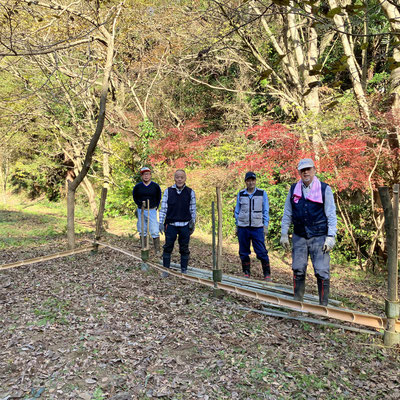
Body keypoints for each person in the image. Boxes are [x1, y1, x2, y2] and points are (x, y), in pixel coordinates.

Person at [280, 158, 337, 306]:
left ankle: (323, 307)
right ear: (299, 172)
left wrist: (331, 237)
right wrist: (284, 233)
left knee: (321, 271)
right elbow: (287, 212)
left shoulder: (324, 189)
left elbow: (331, 215)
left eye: (308, 169)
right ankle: (297, 303)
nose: (306, 172)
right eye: (303, 170)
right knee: (298, 269)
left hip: (319, 236)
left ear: (314, 170)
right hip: (299, 236)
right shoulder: (294, 189)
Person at [234, 171, 271, 281]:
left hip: (257, 226)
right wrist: (237, 225)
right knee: (243, 251)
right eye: (248, 180)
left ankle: (267, 274)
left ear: (255, 181)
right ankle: (246, 272)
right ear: (245, 182)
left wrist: (265, 225)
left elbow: (266, 210)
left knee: (261, 251)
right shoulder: (241, 194)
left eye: (253, 180)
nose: (251, 182)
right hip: (243, 226)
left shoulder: (262, 193)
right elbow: (237, 211)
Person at [158, 169, 196, 274]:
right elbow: (163, 208)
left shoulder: (190, 192)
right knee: (168, 246)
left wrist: (193, 222)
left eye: (182, 177)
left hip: (185, 225)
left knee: (184, 247)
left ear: (185, 178)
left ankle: (184, 269)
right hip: (171, 225)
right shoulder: (168, 191)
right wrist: (161, 222)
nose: (179, 179)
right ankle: (166, 269)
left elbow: (193, 209)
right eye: (177, 177)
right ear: (174, 178)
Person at [132, 167, 162, 254]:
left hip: (152, 210)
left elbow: (158, 197)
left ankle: (157, 250)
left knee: (154, 229)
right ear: (141, 176)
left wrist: (155, 206)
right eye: (144, 174)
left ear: (150, 175)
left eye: (147, 174)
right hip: (141, 210)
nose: (146, 176)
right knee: (142, 229)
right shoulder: (138, 187)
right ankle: (144, 248)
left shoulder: (155, 186)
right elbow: (135, 197)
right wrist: (139, 204)